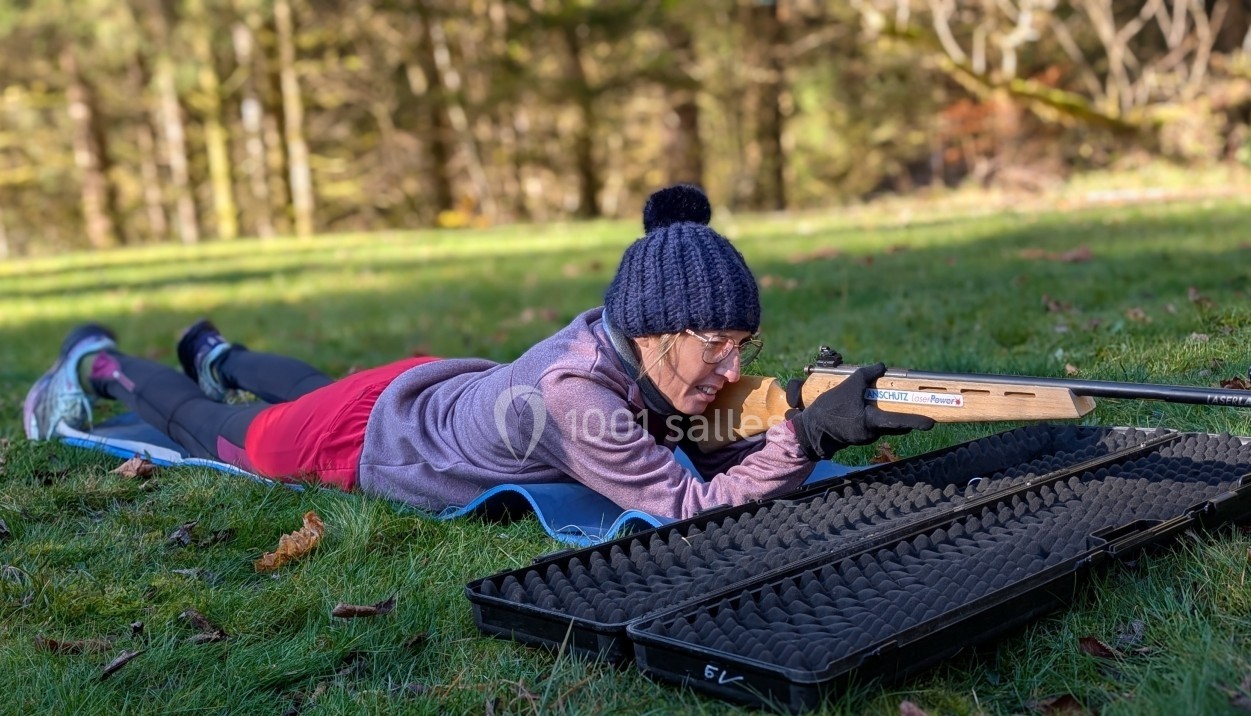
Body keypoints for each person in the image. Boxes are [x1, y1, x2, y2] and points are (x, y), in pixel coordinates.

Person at [23, 185, 933, 521]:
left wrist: (787, 408)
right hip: (374, 441)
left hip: (424, 389)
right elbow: (689, 506)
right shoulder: (580, 395)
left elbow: (684, 415)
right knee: (227, 434)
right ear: (652, 331)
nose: (732, 368)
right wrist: (805, 440)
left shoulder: (624, 335)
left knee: (320, 387)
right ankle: (100, 365)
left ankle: (221, 352)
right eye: (716, 345)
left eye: (745, 345)